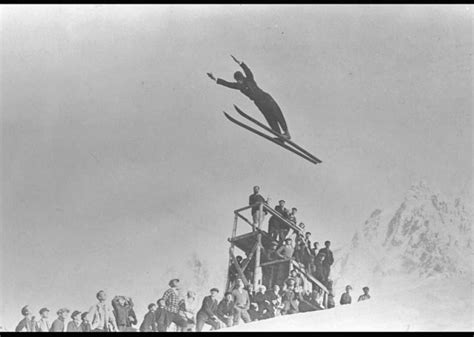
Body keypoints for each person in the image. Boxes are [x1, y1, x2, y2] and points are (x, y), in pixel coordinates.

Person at [207, 55, 291, 140]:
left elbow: (247, 70)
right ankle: (280, 136)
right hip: (259, 103)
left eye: (239, 80)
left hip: (266, 99)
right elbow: (228, 84)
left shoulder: (249, 79)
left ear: (242, 77)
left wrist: (240, 62)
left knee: (276, 113)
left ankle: (286, 133)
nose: (238, 82)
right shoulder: (239, 86)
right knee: (269, 118)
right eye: (237, 81)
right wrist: (215, 79)